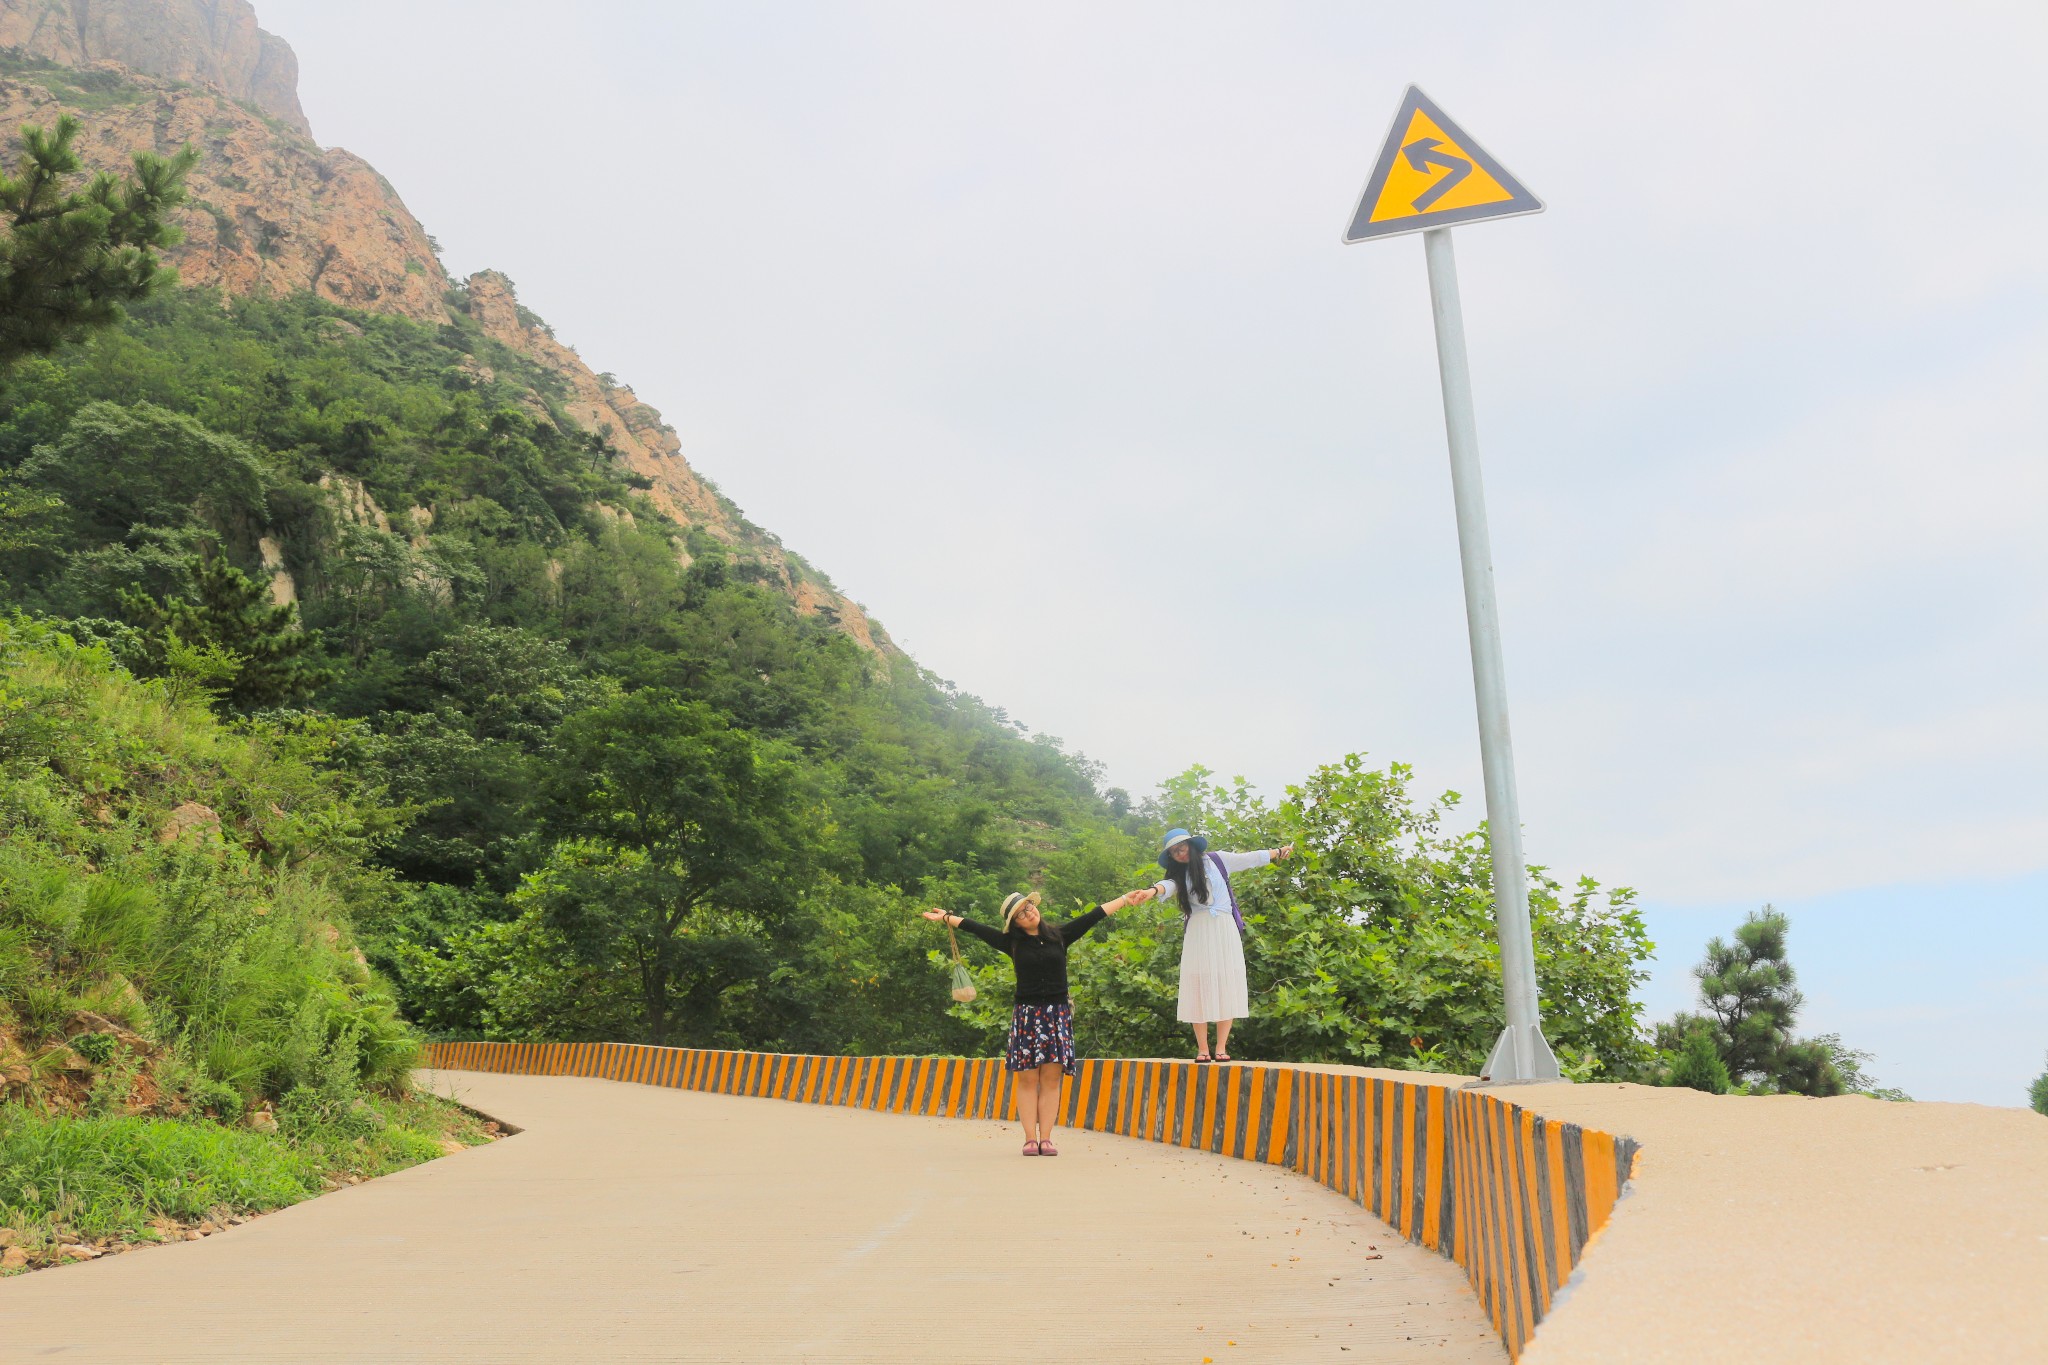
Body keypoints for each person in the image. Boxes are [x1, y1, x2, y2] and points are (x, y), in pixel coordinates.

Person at [922, 886, 1147, 1156]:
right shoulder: (1012, 943)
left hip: (1057, 1014)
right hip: (1027, 1015)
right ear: (1014, 923)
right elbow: (975, 927)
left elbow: (1095, 914)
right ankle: (1030, 1138)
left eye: (1029, 907)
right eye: (1020, 914)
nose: (1028, 913)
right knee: (1028, 1079)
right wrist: (947, 917)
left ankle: (1047, 1138)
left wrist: (1124, 899)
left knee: (1052, 1079)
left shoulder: (1060, 936)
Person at [1149, 828, 1293, 1063]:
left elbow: (1250, 858)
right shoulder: (1179, 875)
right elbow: (1167, 886)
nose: (1180, 853)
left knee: (1227, 981)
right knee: (1198, 982)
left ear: (1191, 845)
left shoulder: (1217, 860)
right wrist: (1152, 890)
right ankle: (1203, 1049)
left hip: (1224, 927)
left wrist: (1277, 852)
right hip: (1198, 929)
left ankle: (1221, 1047)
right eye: (1174, 851)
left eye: (1182, 847)